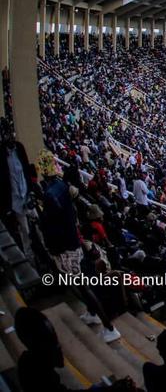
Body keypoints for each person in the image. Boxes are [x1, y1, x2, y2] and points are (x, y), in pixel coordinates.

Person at [36, 150, 120, 343]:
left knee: (83, 287)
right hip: (72, 243)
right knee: (82, 283)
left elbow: (51, 224)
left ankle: (109, 327)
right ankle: (92, 313)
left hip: (64, 246)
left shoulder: (50, 194)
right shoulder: (61, 185)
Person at [0, 125, 37, 263]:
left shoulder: (20, 148)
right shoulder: (2, 156)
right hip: (15, 201)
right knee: (25, 232)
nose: (10, 138)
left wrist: (31, 191)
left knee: (38, 226)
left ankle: (45, 252)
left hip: (27, 195)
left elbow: (27, 170)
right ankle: (31, 260)